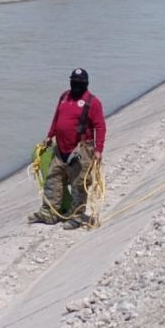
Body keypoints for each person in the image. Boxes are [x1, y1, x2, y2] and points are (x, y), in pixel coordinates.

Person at [28, 68, 106, 229]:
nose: (75, 85)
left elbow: (100, 127)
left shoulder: (93, 102)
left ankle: (76, 216)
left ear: (85, 84)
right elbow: (56, 118)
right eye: (73, 81)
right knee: (53, 179)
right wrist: (50, 136)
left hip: (81, 150)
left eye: (79, 83)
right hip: (60, 148)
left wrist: (98, 150)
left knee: (78, 183)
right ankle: (49, 213)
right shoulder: (64, 96)